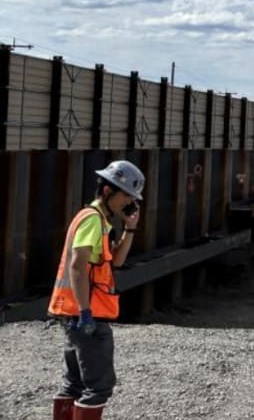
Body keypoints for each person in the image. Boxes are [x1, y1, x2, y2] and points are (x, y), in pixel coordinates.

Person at [48, 160, 144, 420]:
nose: (129, 202)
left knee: (75, 382)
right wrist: (86, 313)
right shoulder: (92, 221)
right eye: (127, 196)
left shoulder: (97, 220)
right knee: (98, 385)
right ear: (107, 192)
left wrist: (130, 228)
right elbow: (78, 267)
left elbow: (118, 261)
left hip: (74, 313)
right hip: (86, 315)